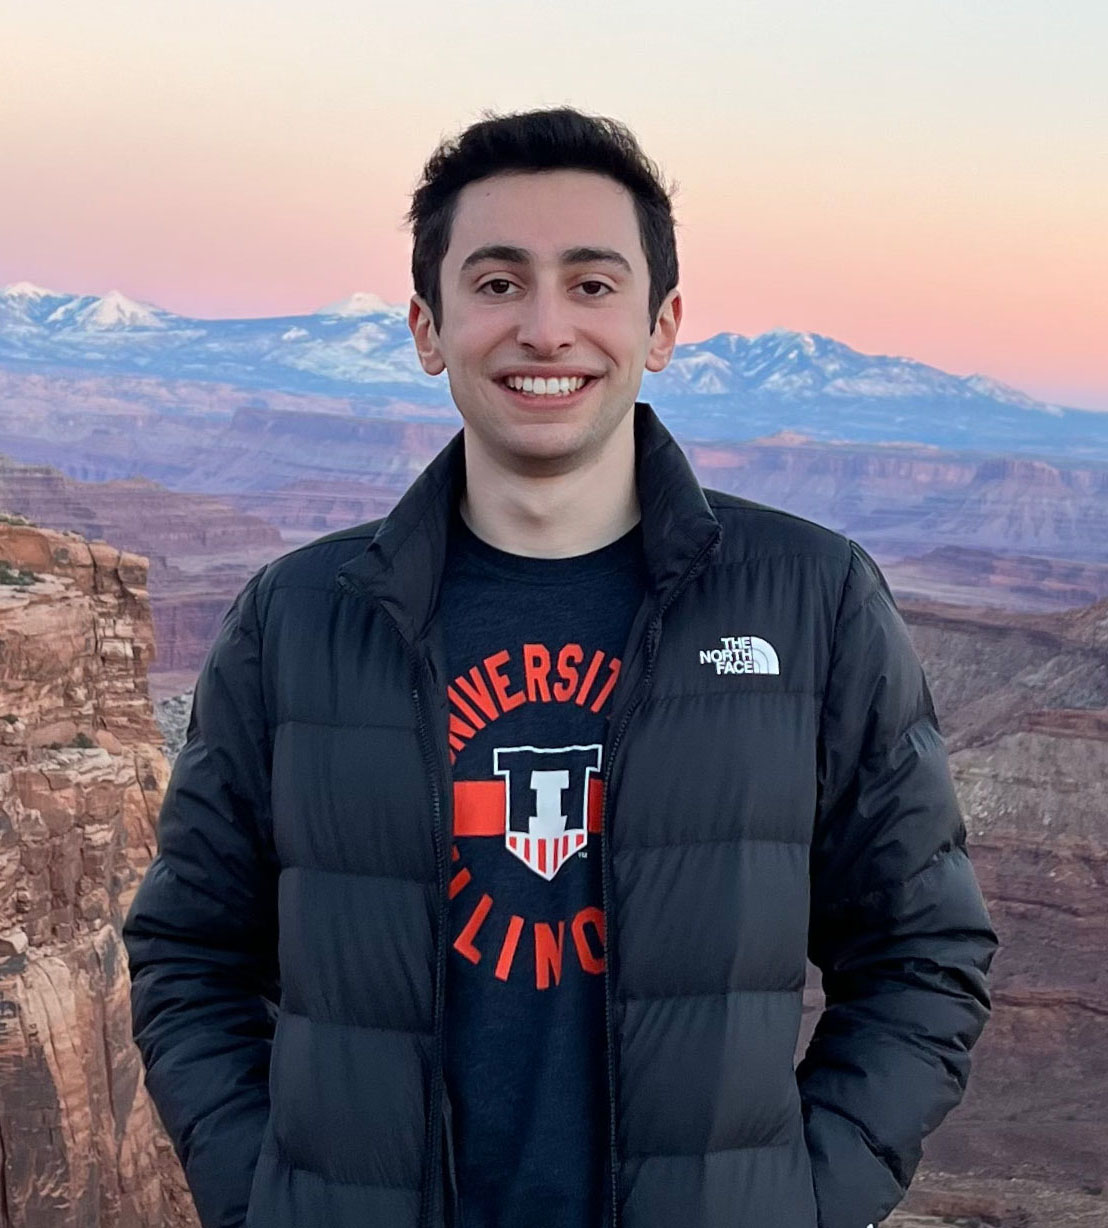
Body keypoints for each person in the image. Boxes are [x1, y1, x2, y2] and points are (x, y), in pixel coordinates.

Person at [122, 106, 998, 1228]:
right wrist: (268, 1198)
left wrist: (796, 1205)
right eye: (495, 284)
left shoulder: (812, 599)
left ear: (662, 324)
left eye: (591, 285)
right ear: (427, 326)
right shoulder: (296, 621)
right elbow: (189, 949)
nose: (544, 329)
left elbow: (924, 951)